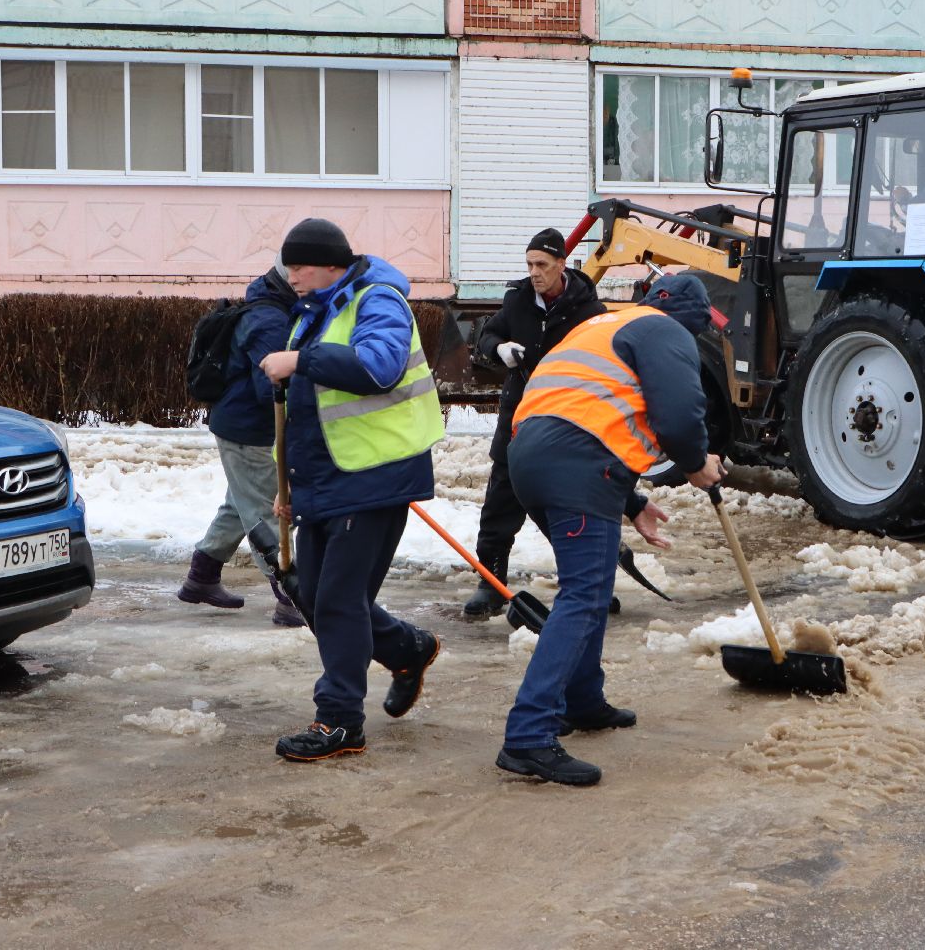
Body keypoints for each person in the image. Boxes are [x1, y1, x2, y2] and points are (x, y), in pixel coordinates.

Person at [495, 273, 724, 786]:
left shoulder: (603, 325)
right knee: (584, 594)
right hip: (578, 464)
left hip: (532, 458)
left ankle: (583, 701)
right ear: (693, 319)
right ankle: (529, 735)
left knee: (590, 585)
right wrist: (694, 464)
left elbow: (588, 411)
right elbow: (680, 415)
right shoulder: (667, 331)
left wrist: (631, 500)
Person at [259, 218, 445, 763]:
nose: (290, 275)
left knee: (339, 599)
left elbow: (379, 367)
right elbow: (300, 411)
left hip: (375, 475)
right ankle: (407, 649)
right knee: (314, 595)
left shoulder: (377, 300)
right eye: (288, 266)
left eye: (300, 265)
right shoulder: (318, 311)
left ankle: (340, 721)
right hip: (327, 476)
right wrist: (285, 479)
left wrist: (301, 359)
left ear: (331, 264)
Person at [463, 227, 607, 619]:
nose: (534, 272)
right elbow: (486, 334)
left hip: (565, 420)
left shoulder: (588, 312)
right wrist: (499, 347)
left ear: (562, 264)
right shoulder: (518, 301)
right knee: (500, 503)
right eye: (529, 264)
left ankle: (586, 582)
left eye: (542, 264)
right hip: (517, 417)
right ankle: (490, 583)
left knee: (566, 507)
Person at [178, 258, 305, 627]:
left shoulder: (273, 307)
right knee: (267, 509)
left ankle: (201, 577)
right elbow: (271, 389)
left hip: (242, 424)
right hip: (247, 428)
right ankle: (290, 596)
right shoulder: (269, 320)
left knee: (241, 502)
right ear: (287, 278)